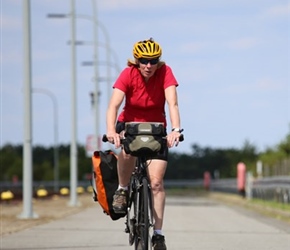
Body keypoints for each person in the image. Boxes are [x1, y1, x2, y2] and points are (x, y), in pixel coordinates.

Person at [105, 38, 183, 250]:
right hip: (129, 125)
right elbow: (114, 104)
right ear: (136, 61)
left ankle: (158, 235)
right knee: (127, 150)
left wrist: (175, 130)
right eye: (144, 61)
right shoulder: (128, 74)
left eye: (153, 60)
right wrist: (112, 130)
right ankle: (122, 189)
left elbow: (172, 103)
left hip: (156, 128)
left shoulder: (165, 72)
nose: (149, 65)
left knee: (156, 183)